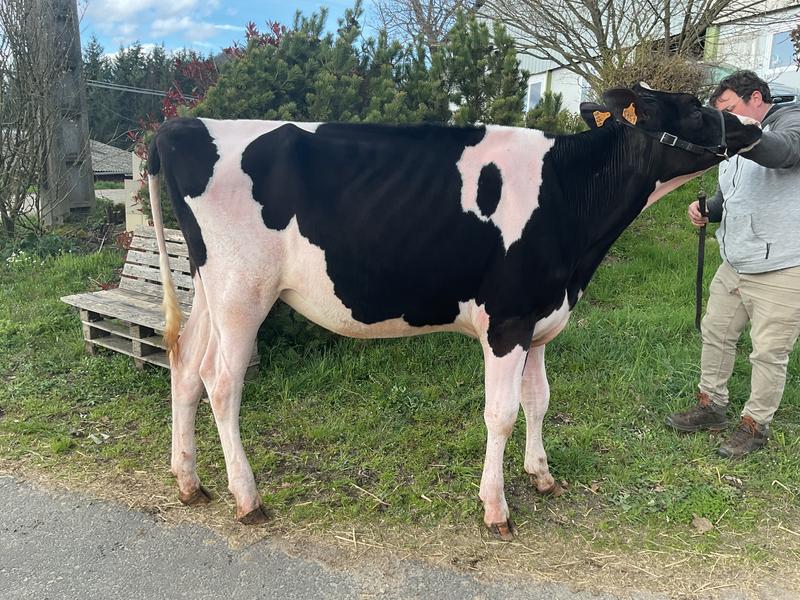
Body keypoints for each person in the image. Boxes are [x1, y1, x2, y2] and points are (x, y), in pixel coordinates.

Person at [664, 70, 800, 457]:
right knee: (717, 332)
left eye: (729, 110)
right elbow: (735, 194)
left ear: (755, 98)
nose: (725, 121)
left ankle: (755, 425)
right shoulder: (737, 144)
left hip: (784, 265)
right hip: (736, 260)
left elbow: (785, 152)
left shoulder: (791, 122)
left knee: (768, 352)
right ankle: (712, 406)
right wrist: (710, 209)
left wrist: (733, 134)